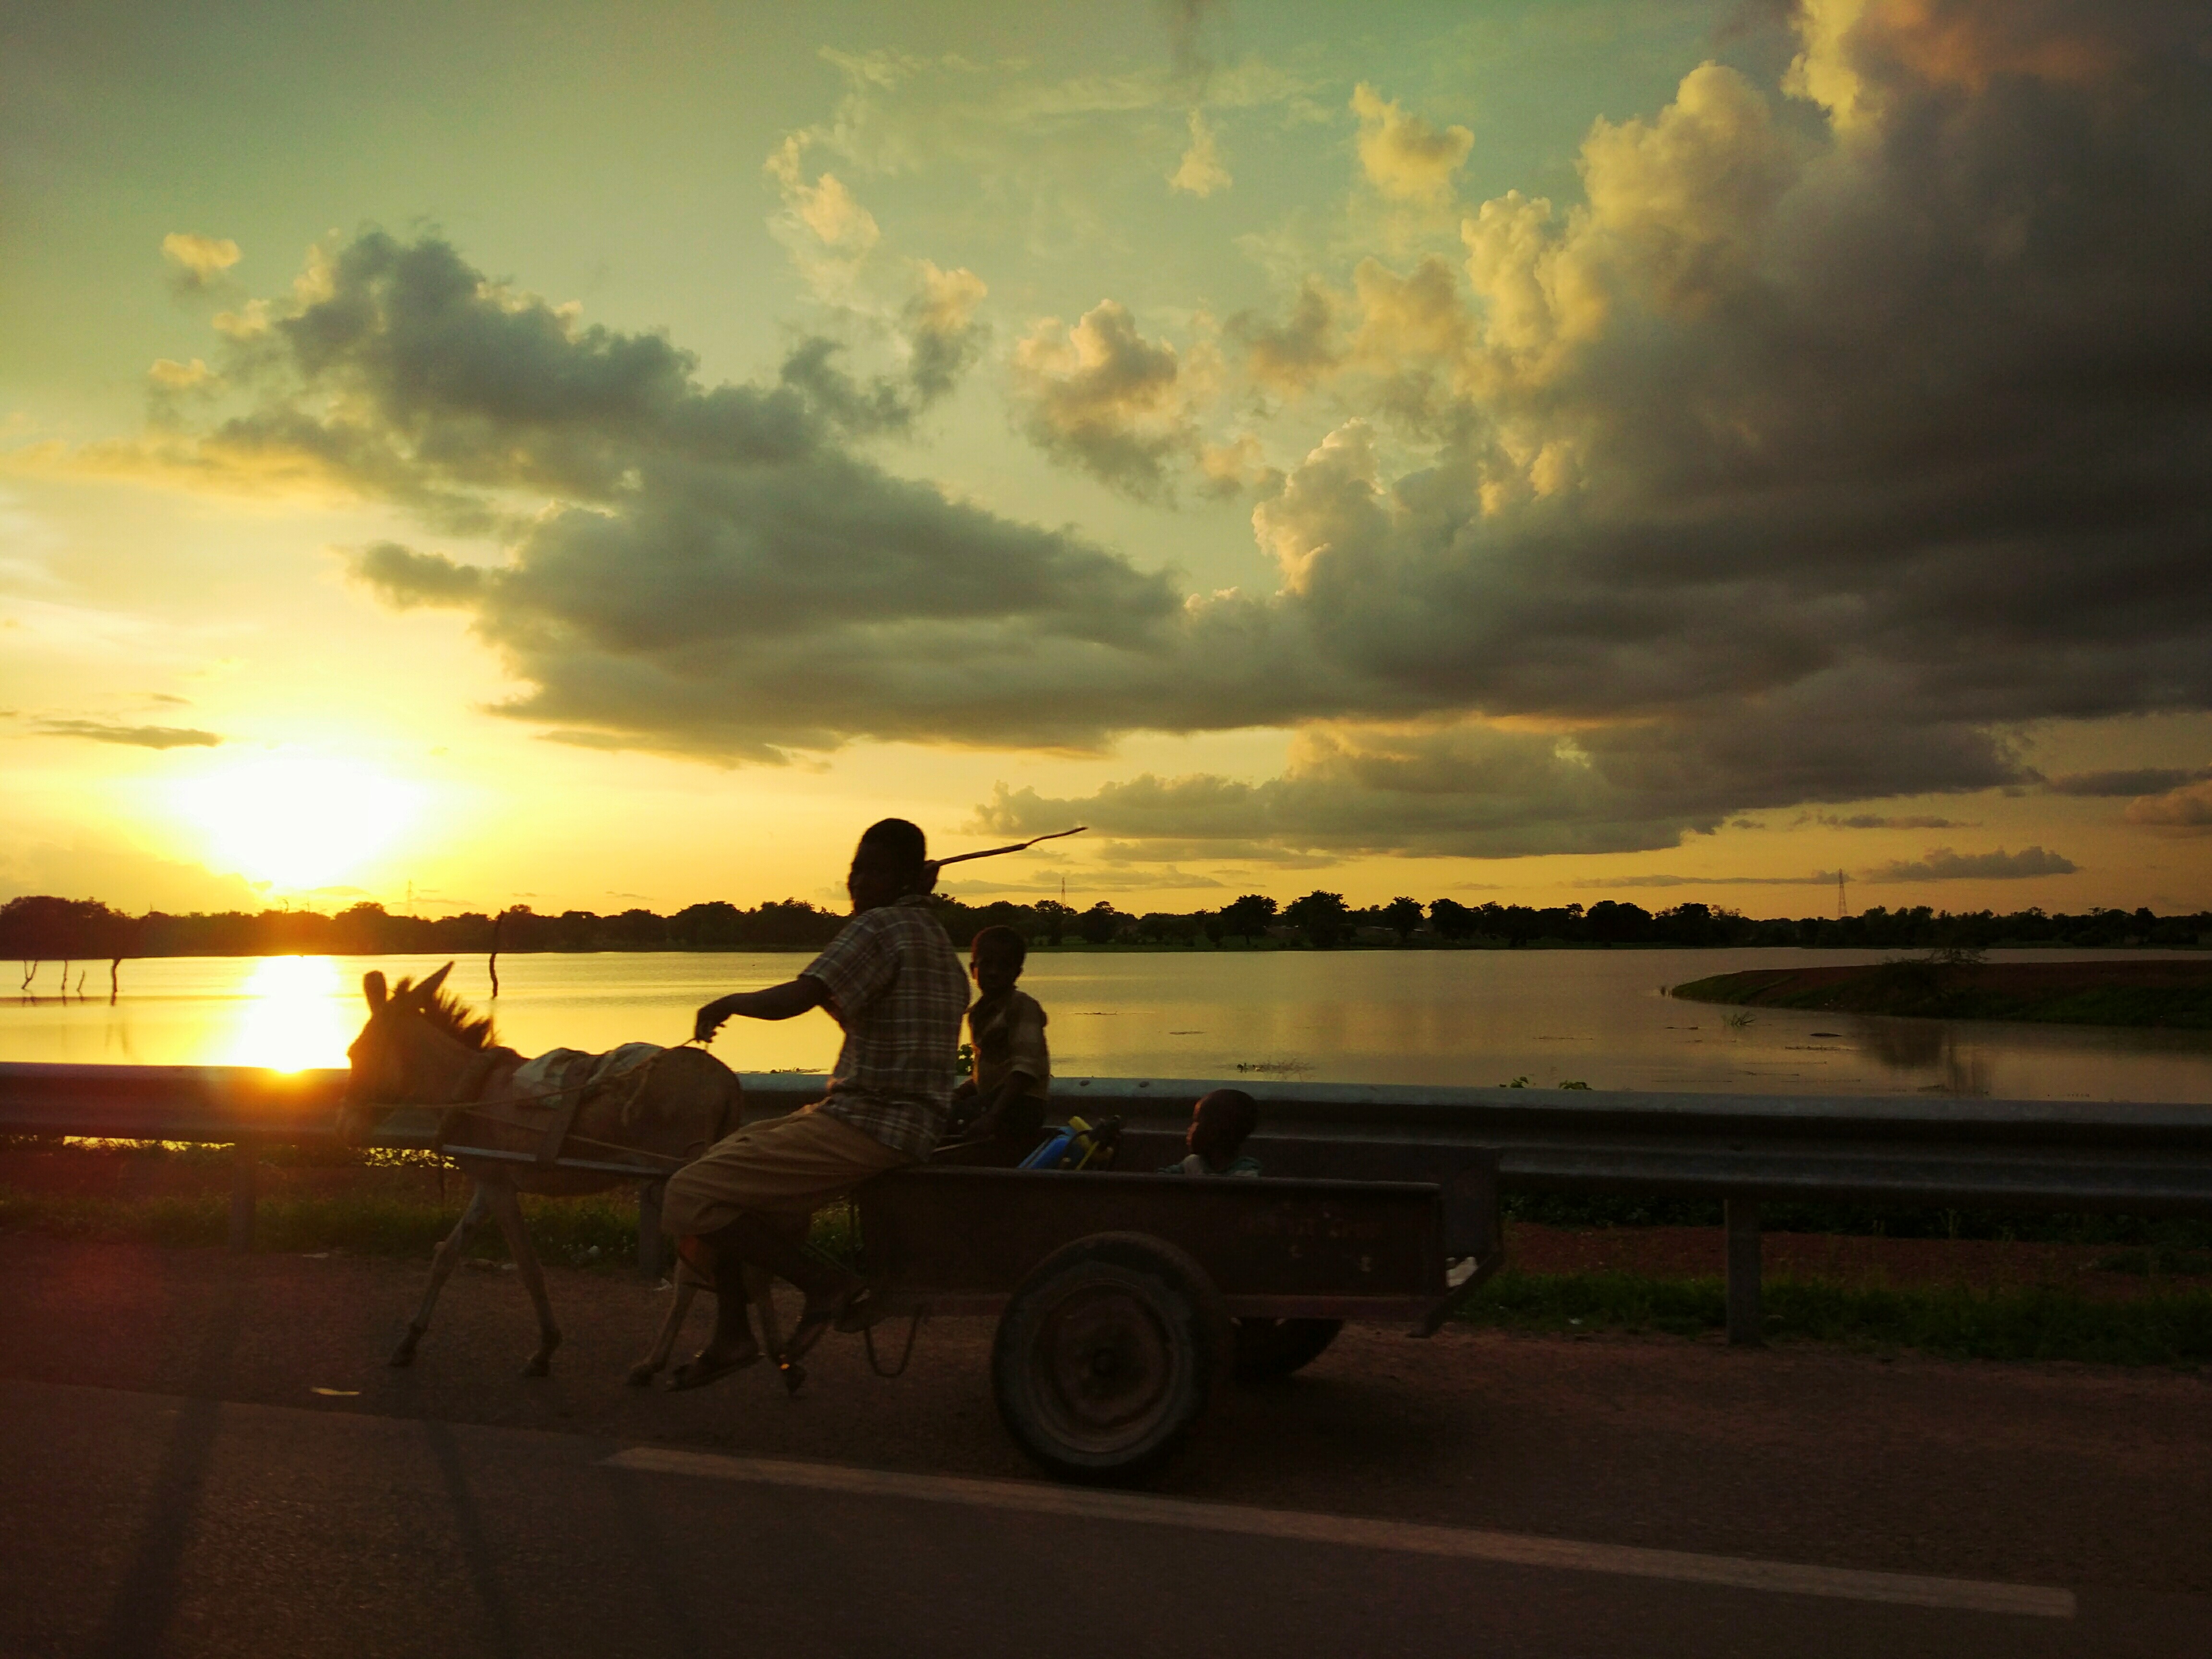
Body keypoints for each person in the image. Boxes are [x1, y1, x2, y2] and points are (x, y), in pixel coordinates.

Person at [660, 817, 968, 1388]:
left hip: (867, 1121)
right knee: (727, 1167)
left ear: (908, 878)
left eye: (875, 872)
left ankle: (825, 1286)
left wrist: (731, 1001)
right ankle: (732, 1336)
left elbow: (799, 997)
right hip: (905, 1123)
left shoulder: (877, 929)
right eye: (855, 870)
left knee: (688, 1194)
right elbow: (866, 1015)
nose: (859, 883)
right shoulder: (939, 946)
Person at [947, 925, 1051, 1146]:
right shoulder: (977, 1014)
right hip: (994, 1102)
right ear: (973, 969)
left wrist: (992, 1117)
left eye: (1004, 966)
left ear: (1017, 972)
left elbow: (1025, 1071)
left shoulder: (1022, 1008)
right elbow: (987, 1075)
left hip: (1021, 1107)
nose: (994, 972)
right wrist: (958, 1094)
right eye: (987, 965)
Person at [1161, 1087, 1262, 1177]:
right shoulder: (1192, 1164)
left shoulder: (1245, 1174)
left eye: (1197, 1122)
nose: (1189, 1129)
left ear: (1213, 1132)